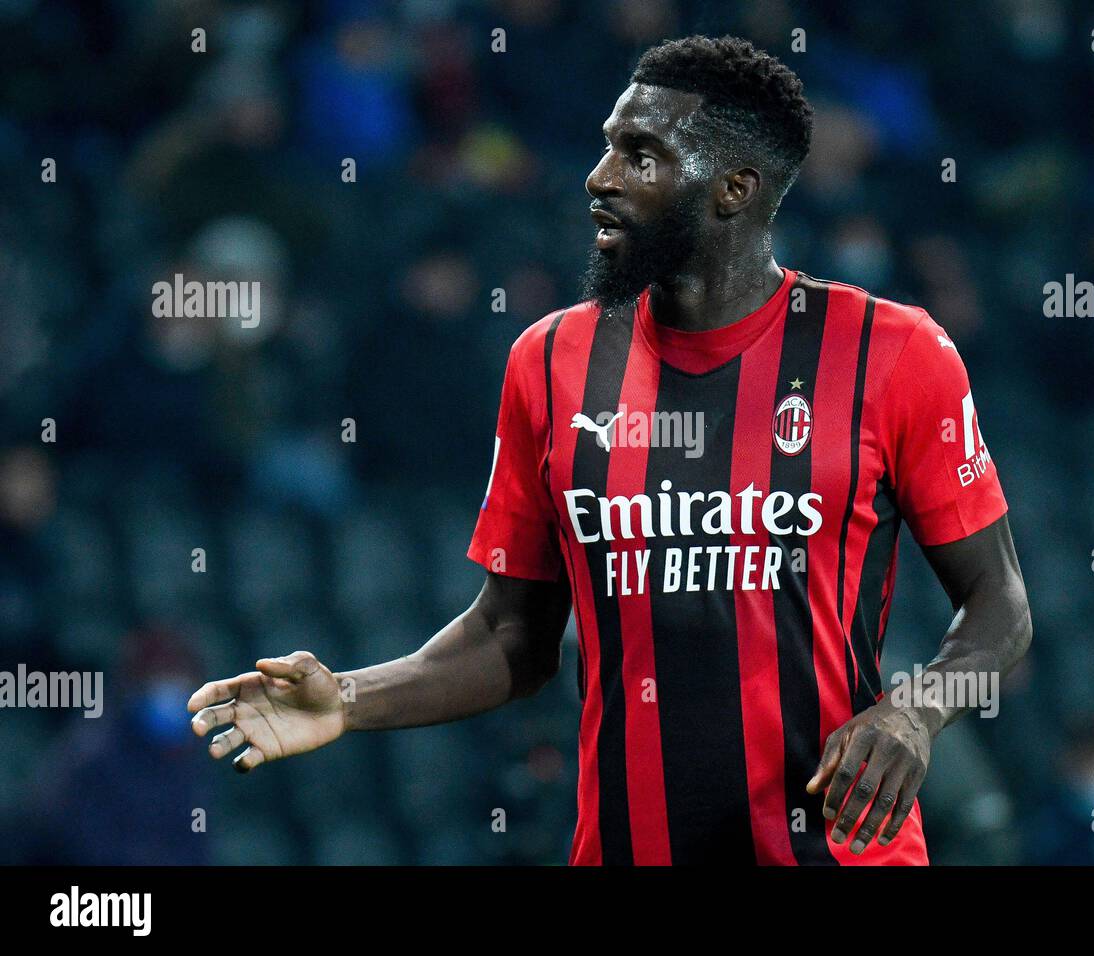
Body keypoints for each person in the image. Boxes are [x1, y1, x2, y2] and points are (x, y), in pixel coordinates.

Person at [189, 35, 1032, 866]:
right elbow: (512, 635)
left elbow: (999, 604)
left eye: (641, 156)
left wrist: (918, 710)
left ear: (734, 188)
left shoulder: (892, 353)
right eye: (606, 148)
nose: (600, 178)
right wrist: (348, 698)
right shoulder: (548, 363)